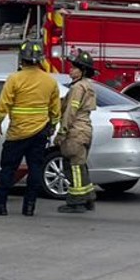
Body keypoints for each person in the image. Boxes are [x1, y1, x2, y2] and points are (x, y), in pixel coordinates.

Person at [0, 41, 59, 216]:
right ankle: (29, 207)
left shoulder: (14, 79)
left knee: (8, 169)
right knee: (35, 169)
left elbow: (3, 105)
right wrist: (52, 126)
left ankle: (0, 205)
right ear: (40, 59)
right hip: (40, 131)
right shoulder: (50, 81)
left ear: (22, 59)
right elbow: (55, 110)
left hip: (17, 133)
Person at [56, 50, 99, 214]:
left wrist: (62, 131)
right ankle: (88, 197)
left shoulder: (78, 87)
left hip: (76, 131)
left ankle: (77, 201)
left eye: (74, 68)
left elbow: (70, 112)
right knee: (80, 166)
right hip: (85, 130)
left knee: (73, 166)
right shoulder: (88, 85)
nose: (70, 70)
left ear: (83, 70)